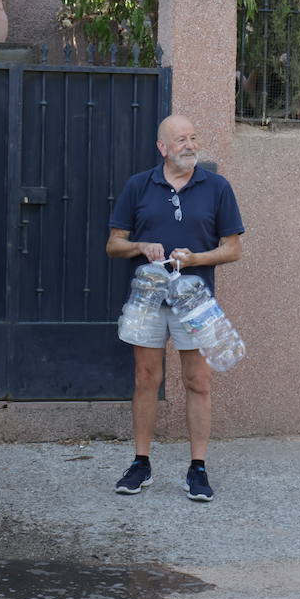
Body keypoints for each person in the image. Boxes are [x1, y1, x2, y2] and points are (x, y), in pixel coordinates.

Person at [106, 115, 244, 501]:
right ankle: (141, 463)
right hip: (148, 299)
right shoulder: (139, 186)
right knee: (145, 378)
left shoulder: (216, 187)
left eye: (193, 138)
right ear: (162, 148)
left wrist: (197, 258)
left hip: (196, 302)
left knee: (197, 382)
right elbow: (114, 244)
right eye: (180, 139)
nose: (189, 145)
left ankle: (197, 469)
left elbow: (233, 248)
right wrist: (141, 246)